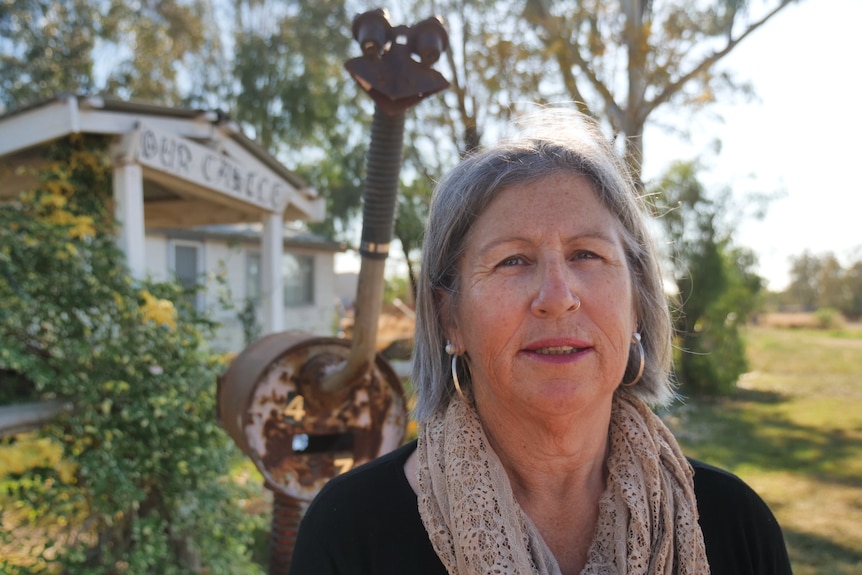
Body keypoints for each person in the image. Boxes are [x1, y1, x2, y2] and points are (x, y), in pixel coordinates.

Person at [288, 109, 793, 575]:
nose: (557, 298)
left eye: (587, 255)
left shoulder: (733, 525)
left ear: (637, 301)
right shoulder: (349, 533)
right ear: (450, 319)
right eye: (512, 260)